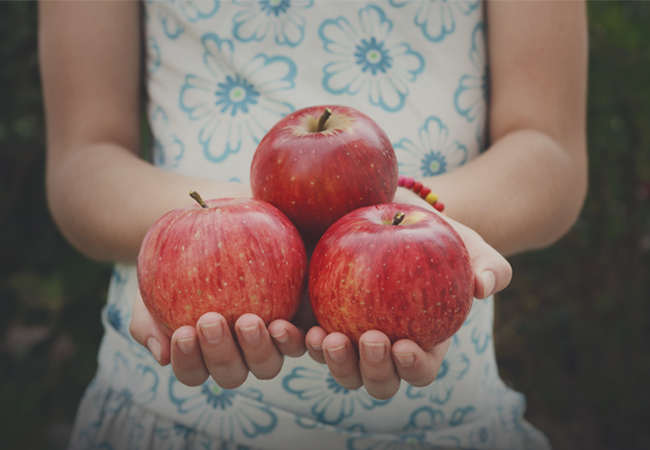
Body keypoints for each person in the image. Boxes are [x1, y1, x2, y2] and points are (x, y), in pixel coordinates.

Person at [39, 1, 587, 449]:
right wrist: (224, 229)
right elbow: (81, 163)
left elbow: (549, 156)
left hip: (445, 412)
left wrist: (411, 220)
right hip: (167, 412)